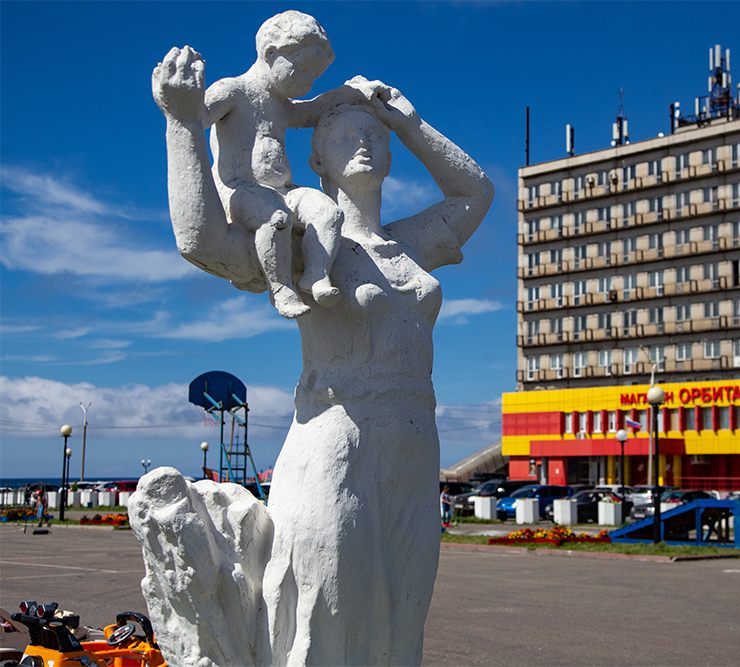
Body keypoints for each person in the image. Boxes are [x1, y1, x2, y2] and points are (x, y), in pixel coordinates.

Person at [150, 37, 493, 665]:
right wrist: (181, 125)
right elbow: (199, 239)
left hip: (416, 443)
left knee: (401, 624)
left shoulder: (411, 243)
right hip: (338, 438)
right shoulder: (304, 239)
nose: (364, 143)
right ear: (316, 156)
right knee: (323, 619)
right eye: (343, 136)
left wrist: (407, 121)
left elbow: (476, 193)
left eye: (375, 137)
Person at [197, 11, 345, 318]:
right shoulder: (233, 90)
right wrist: (185, 102)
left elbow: (312, 110)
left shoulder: (282, 106)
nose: (307, 81)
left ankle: (316, 274)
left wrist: (350, 93)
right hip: (239, 189)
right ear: (271, 53)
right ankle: (281, 288)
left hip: (283, 190)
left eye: (313, 76)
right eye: (303, 69)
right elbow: (197, 118)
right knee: (275, 219)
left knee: (329, 212)